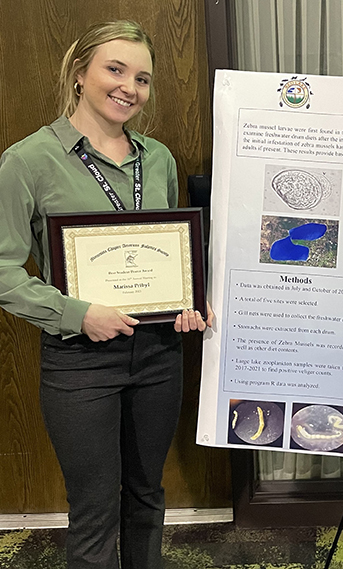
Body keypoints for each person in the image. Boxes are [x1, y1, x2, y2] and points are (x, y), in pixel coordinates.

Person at [0, 20, 212, 569]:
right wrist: (74, 312)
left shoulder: (159, 158)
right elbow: (2, 270)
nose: (129, 88)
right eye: (114, 70)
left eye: (142, 78)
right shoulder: (28, 161)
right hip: (80, 361)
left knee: (148, 496)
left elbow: (175, 254)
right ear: (79, 74)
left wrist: (191, 300)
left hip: (159, 355)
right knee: (94, 510)